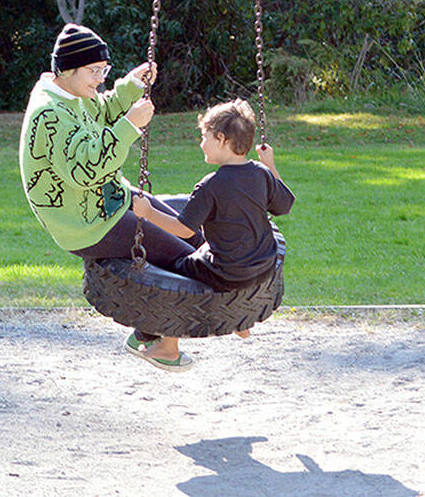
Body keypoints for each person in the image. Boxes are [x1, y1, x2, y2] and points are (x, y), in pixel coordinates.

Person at [19, 23, 202, 371]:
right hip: (85, 223)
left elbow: (101, 110)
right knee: (183, 257)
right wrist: (130, 125)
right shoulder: (49, 113)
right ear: (66, 68)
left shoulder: (71, 96)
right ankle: (162, 341)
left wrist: (130, 86)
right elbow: (86, 169)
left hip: (109, 199)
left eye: (104, 71)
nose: (100, 79)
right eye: (94, 71)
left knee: (188, 231)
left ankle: (146, 333)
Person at [131, 98, 294, 338]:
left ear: (221, 139)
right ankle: (240, 318)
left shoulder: (211, 185)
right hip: (264, 266)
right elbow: (284, 205)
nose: (201, 144)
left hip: (227, 271)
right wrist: (270, 165)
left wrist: (148, 213)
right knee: (216, 253)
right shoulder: (261, 174)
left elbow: (184, 229)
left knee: (173, 271)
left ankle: (166, 346)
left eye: (204, 137)